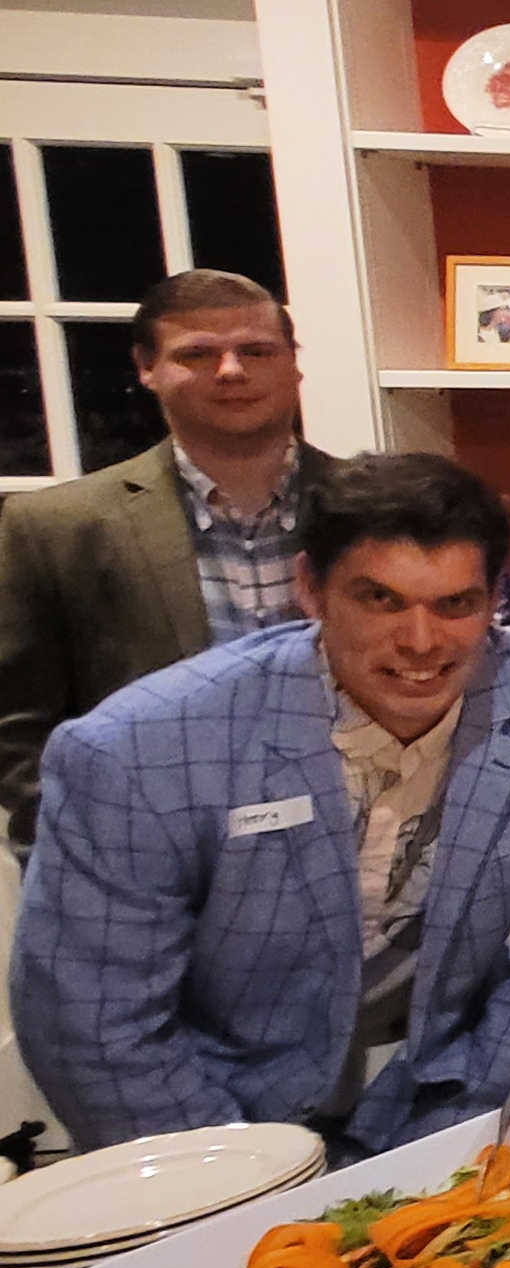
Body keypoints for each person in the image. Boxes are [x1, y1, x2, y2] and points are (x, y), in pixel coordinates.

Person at [14, 454, 510, 1154]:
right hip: (216, 1107)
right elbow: (94, 1021)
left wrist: (454, 1131)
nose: (421, 642)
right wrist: (241, 1177)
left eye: (455, 605)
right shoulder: (138, 747)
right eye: (381, 599)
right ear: (309, 588)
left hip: (451, 1087)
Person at [0, 270, 332, 851]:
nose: (232, 371)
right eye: (198, 354)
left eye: (256, 350)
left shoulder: (373, 505)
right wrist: (82, 842)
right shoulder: (55, 528)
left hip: (351, 847)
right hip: (146, 859)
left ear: (293, 364)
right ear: (146, 367)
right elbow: (16, 728)